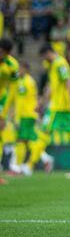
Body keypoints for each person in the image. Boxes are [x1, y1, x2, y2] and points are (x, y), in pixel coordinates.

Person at [29, 44, 70, 179]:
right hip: (60, 107)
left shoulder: (60, 63)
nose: (44, 60)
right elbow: (51, 87)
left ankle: (29, 166)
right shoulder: (55, 65)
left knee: (43, 133)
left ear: (48, 53)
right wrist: (42, 102)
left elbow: (68, 82)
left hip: (58, 108)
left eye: (44, 56)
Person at [10, 62, 54, 175]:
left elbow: (24, 101)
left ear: (25, 69)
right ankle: (45, 159)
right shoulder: (24, 81)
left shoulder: (26, 82)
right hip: (27, 115)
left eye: (20, 69)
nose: (18, 71)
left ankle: (17, 168)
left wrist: (16, 114)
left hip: (27, 115)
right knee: (29, 140)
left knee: (21, 140)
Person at [0, 38, 20, 183]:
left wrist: (4, 113)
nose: (2, 55)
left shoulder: (12, 65)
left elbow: (13, 91)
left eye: (5, 53)